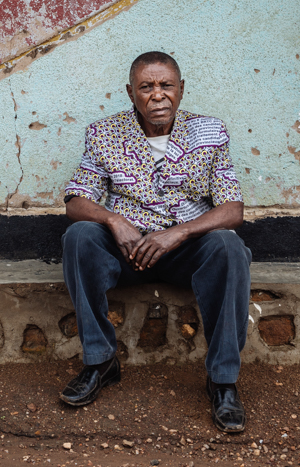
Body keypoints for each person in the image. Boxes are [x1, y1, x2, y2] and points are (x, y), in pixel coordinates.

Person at [58, 51, 251, 433]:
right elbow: (75, 199)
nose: (157, 95)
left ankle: (223, 381)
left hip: (184, 252)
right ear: (131, 93)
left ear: (181, 90)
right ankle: (100, 362)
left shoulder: (210, 132)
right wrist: (114, 220)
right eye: (146, 87)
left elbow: (233, 209)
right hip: (126, 252)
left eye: (166, 85)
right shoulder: (104, 133)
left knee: (229, 246)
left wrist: (179, 232)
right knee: (79, 235)